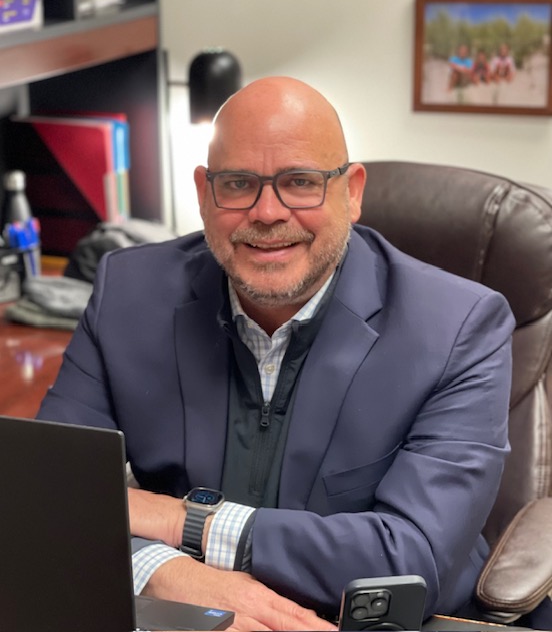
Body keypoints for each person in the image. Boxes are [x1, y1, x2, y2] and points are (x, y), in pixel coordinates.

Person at [36, 77, 515, 631]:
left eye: (300, 182)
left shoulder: (459, 327)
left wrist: (183, 523)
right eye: (238, 183)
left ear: (352, 191)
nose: (267, 212)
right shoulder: (127, 292)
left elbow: (407, 559)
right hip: (187, 617)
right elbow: (48, 496)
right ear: (203, 193)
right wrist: (163, 570)